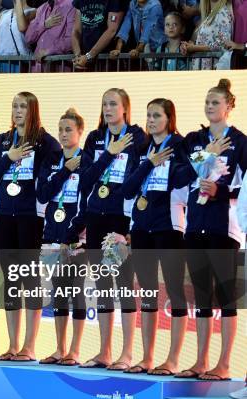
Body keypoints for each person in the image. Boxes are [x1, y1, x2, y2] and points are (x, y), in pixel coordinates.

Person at [174, 79, 247, 381]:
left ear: (229, 105)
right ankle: (201, 362)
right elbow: (178, 178)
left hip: (224, 228)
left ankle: (225, 364)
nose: (210, 106)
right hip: (195, 227)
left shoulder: (241, 142)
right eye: (207, 102)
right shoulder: (193, 139)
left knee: (226, 298)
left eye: (215, 102)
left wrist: (220, 191)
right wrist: (207, 153)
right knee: (202, 298)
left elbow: (245, 187)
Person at [0, 92, 61, 362]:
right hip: (5, 216)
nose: (17, 111)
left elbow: (48, 185)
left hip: (31, 216)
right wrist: (8, 157)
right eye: (14, 105)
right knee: (9, 281)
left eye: (23, 106)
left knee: (30, 280)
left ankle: (29, 346)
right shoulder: (1, 142)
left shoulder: (46, 143)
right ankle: (13, 345)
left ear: (33, 110)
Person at [79, 88, 146, 370]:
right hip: (97, 216)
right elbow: (86, 179)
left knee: (123, 285)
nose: (108, 108)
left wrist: (133, 223)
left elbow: (140, 178)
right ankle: (104, 351)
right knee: (103, 286)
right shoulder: (96, 138)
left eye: (113, 104)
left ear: (125, 108)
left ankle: (127, 353)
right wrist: (108, 153)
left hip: (121, 218)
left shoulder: (138, 138)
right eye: (104, 103)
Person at [121, 98, 189, 375]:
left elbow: (186, 179)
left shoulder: (181, 145)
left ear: (169, 118)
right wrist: (148, 163)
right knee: (147, 294)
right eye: (148, 115)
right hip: (142, 227)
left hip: (169, 227)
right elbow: (128, 188)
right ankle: (148, 358)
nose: (150, 120)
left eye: (156, 115)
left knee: (174, 292)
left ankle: (172, 360)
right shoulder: (141, 148)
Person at [36, 108, 92, 366]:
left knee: (76, 291)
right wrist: (63, 171)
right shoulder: (52, 158)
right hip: (52, 233)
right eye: (60, 129)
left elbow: (88, 199)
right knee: (58, 291)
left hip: (75, 234)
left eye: (68, 129)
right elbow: (43, 194)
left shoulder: (89, 159)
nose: (63, 134)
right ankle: (59, 349)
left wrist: (76, 233)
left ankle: (75, 351)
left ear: (80, 132)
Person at [72, 0, 125, 70]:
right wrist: (77, 55)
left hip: (108, 60)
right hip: (85, 61)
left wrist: (89, 56)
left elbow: (112, 30)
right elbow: (76, 31)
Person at [24, 0, 76, 72]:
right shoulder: (42, 8)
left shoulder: (71, 6)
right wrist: (44, 25)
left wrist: (49, 51)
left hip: (58, 68)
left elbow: (71, 41)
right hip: (38, 69)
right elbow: (28, 38)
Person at [181, 0, 233, 70]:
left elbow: (223, 44)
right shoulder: (210, 15)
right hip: (202, 67)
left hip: (212, 68)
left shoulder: (222, 13)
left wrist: (195, 48)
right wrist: (189, 46)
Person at [0, 0, 35, 73]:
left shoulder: (33, 11)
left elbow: (22, 27)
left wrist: (18, 2)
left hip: (19, 61)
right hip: (0, 61)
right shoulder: (4, 13)